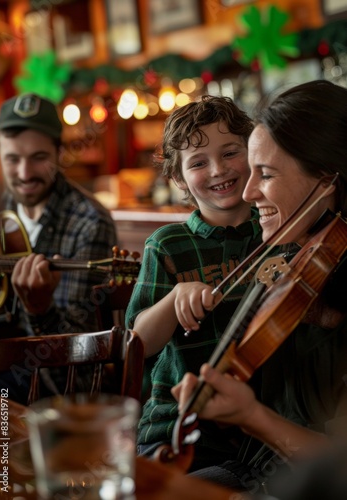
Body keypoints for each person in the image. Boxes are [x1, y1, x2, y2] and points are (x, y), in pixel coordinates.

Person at [173, 79, 347, 494]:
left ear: (327, 181)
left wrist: (251, 415)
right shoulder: (294, 260)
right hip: (251, 469)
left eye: (264, 174)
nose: (248, 192)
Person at [126, 95, 267, 472]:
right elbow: (139, 343)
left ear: (253, 152)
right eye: (199, 163)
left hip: (260, 421)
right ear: (177, 178)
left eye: (231, 152)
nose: (219, 170)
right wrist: (174, 298)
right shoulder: (168, 244)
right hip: (181, 423)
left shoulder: (277, 229)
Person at [0, 93, 117, 404]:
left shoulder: (90, 222)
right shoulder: (0, 210)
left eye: (38, 157)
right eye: (12, 159)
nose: (24, 173)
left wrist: (39, 309)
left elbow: (78, 375)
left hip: (48, 394)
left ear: (59, 152)